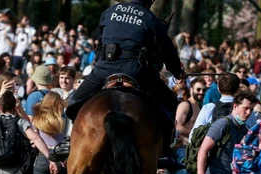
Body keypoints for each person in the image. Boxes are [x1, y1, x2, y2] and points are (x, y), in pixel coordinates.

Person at [65, 0, 184, 154]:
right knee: (170, 102)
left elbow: (99, 40)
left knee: (74, 102)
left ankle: (69, 141)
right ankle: (165, 148)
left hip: (104, 70)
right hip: (137, 73)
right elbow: (167, 50)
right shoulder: (151, 19)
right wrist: (177, 72)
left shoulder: (109, 12)